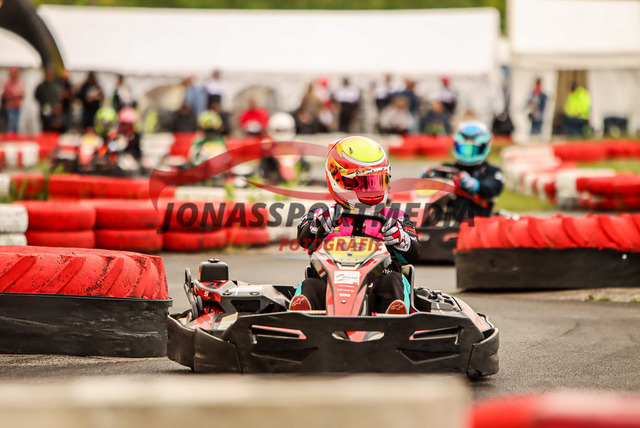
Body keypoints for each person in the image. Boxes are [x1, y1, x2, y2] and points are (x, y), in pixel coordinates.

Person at [290, 136, 421, 315]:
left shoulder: (395, 217)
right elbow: (303, 238)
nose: (372, 189)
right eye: (365, 183)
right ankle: (301, 313)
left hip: (378, 290)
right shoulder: (322, 214)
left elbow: (414, 251)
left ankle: (395, 314)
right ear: (339, 179)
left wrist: (399, 238)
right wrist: (317, 227)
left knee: (393, 281)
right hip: (329, 288)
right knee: (310, 285)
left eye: (378, 181)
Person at [425, 121, 504, 219]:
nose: (468, 154)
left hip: (477, 220)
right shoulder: (447, 169)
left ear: (485, 146)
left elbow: (492, 187)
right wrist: (429, 176)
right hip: (445, 219)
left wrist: (474, 185)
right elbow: (433, 179)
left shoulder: (492, 171)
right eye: (464, 149)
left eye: (473, 149)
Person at [34, 66, 61, 132]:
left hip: (55, 111)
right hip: (45, 110)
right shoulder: (41, 86)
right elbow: (36, 96)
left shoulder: (56, 85)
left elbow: (58, 97)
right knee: (46, 127)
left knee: (55, 127)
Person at [2, 67, 25, 134]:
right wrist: (14, 95)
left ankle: (15, 138)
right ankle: (9, 138)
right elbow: (5, 95)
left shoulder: (20, 82)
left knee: (16, 126)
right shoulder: (8, 83)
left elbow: (22, 94)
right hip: (10, 107)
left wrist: (16, 94)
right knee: (11, 125)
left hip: (18, 107)